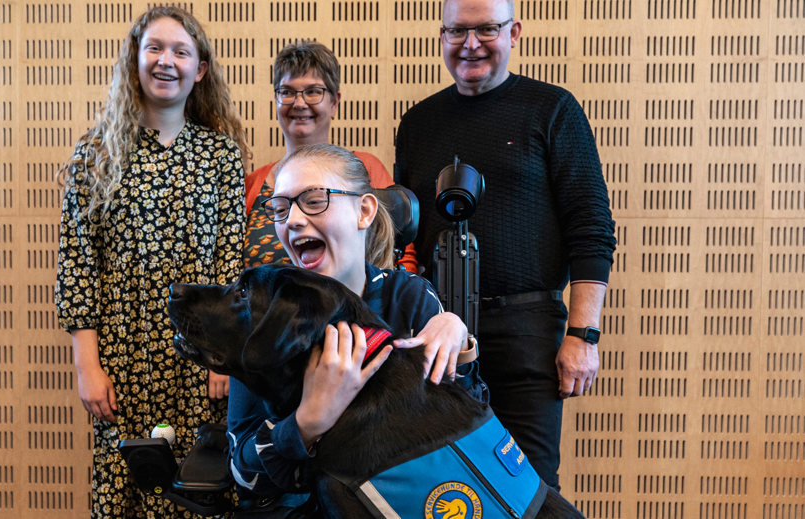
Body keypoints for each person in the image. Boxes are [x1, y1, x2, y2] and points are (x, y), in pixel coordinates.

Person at [394, 0, 617, 491]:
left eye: (486, 30)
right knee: (443, 486)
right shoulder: (418, 123)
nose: (470, 44)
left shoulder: (552, 110)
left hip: (526, 331)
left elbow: (591, 227)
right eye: (457, 32)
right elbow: (405, 237)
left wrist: (584, 335)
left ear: (514, 31)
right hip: (438, 331)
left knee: (531, 487)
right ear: (442, 35)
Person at [54, 6, 246, 517]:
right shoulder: (94, 156)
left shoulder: (221, 157)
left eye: (182, 51)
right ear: (133, 62)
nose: (167, 61)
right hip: (122, 361)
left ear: (199, 69)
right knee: (127, 488)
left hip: (200, 362)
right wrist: (87, 366)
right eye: (155, 49)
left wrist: (226, 359)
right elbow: (77, 267)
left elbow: (231, 262)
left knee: (197, 491)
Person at [228, 144, 482, 513]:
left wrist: (459, 341)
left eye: (313, 200)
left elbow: (464, 425)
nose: (293, 220)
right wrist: (306, 423)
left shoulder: (407, 298)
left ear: (364, 211)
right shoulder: (262, 318)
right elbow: (242, 471)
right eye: (281, 209)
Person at [243, 41, 417, 271]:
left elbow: (402, 256)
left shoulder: (366, 169)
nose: (299, 103)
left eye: (313, 92)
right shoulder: (253, 184)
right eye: (287, 92)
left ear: (335, 102)